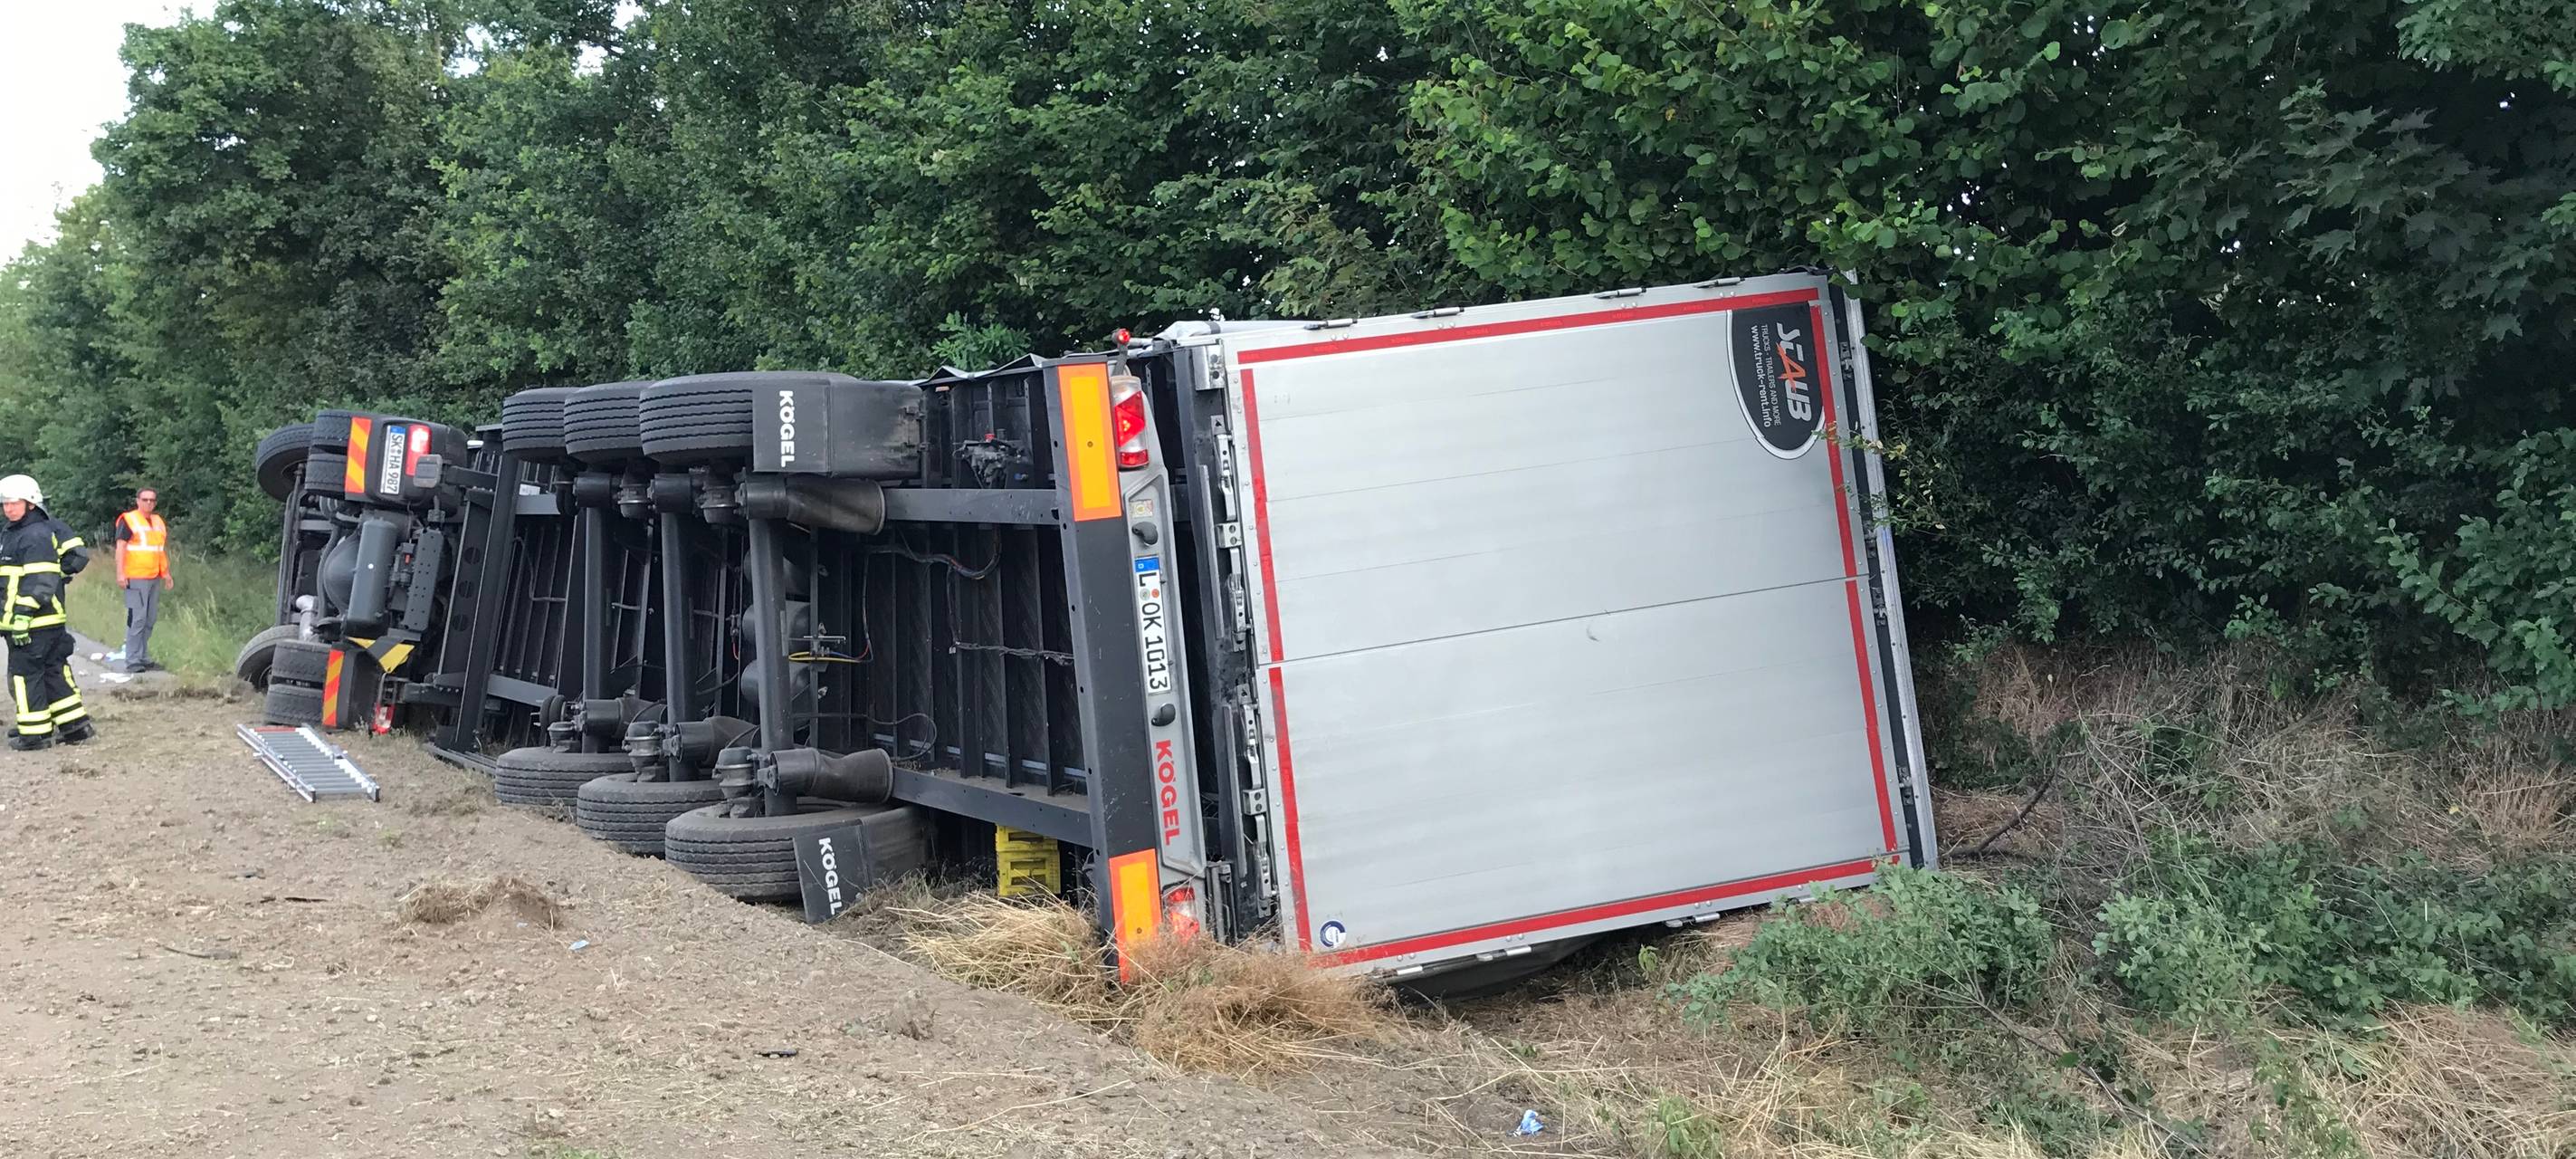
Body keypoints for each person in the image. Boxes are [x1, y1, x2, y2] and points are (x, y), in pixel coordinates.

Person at [1, 474, 94, 750]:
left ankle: (35, 735)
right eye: (5, 504)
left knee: (25, 675)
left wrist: (21, 616)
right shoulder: (16, 533)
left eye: (13, 503)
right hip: (46, 620)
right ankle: (75, 727)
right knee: (54, 672)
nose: (8, 508)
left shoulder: (35, 534)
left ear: (31, 503)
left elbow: (39, 581)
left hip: (33, 622)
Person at [114, 486, 172, 674]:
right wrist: (120, 573)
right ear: (138, 501)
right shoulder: (129, 520)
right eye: (145, 499)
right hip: (135, 577)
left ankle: (143, 657)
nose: (149, 503)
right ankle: (132, 660)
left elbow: (159, 550)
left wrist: (166, 573)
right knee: (137, 619)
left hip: (154, 576)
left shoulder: (157, 522)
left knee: (150, 618)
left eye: (152, 500)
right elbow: (121, 548)